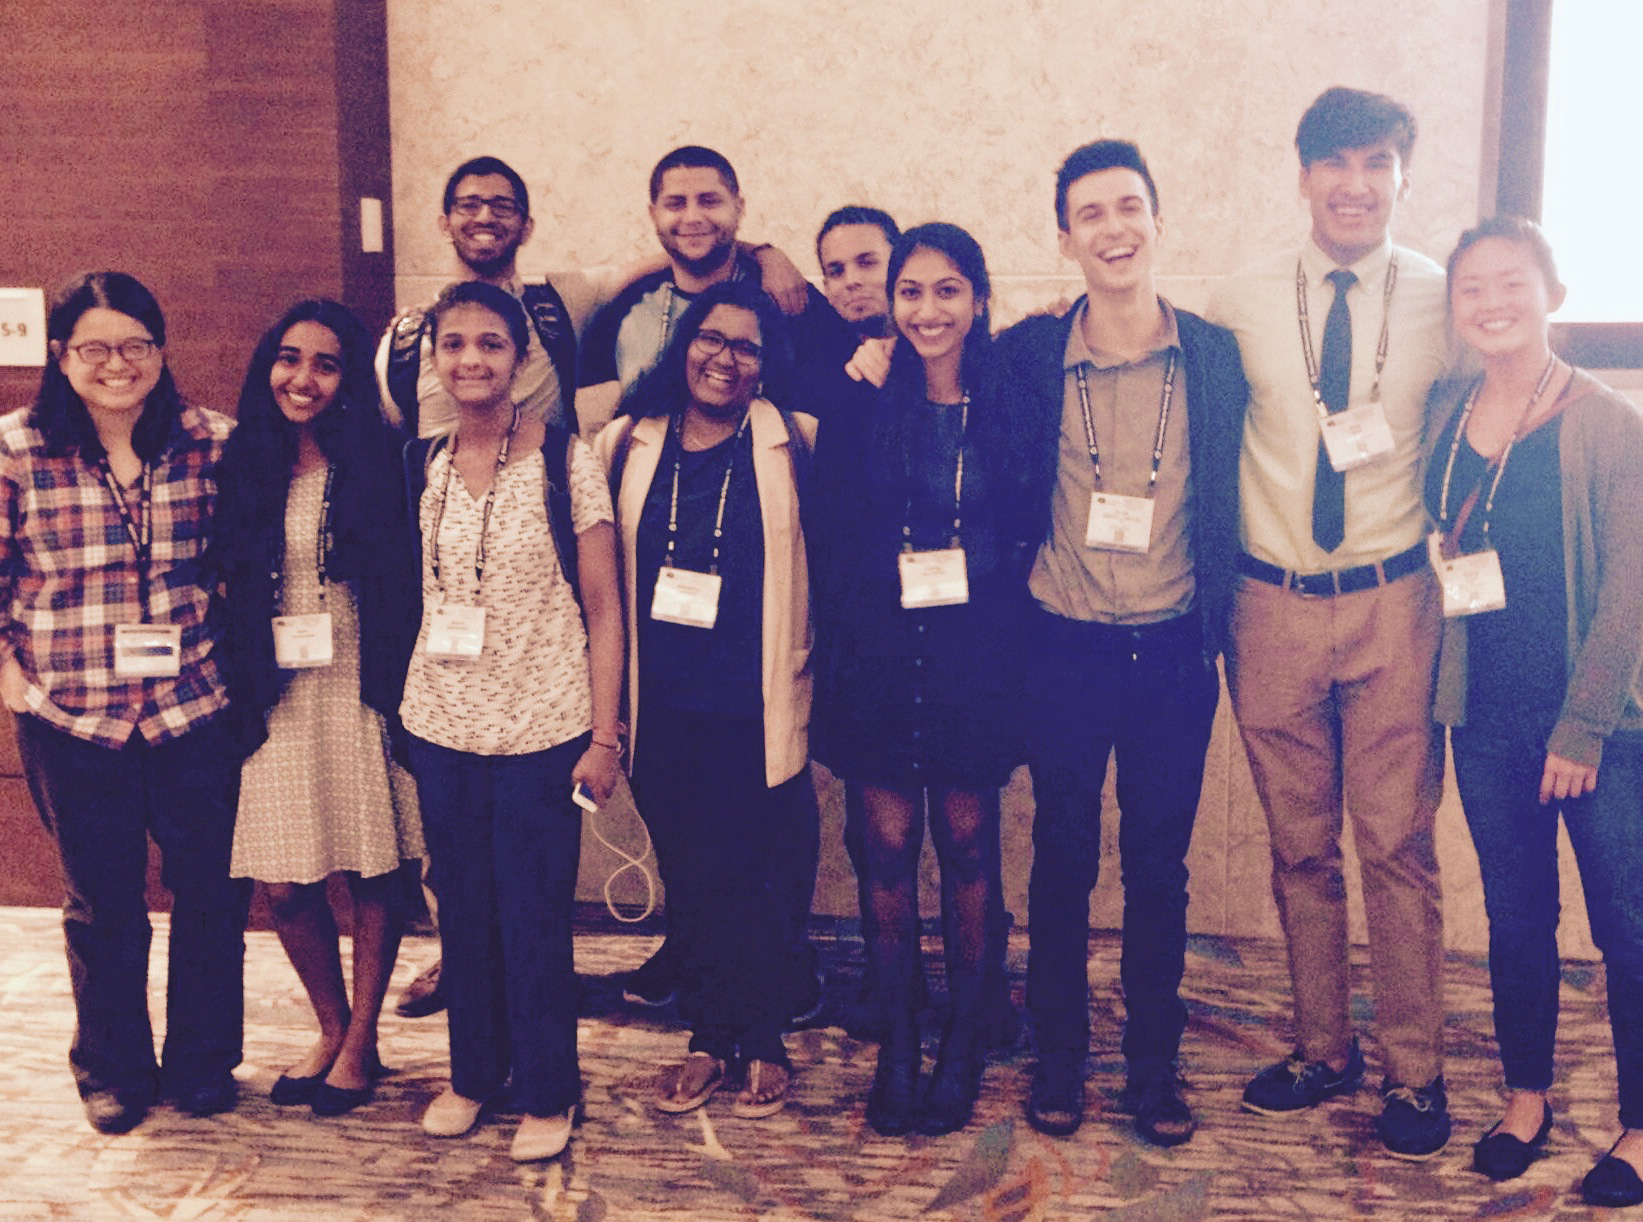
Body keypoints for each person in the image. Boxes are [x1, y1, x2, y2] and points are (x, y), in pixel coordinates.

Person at [1206, 86, 1454, 1159]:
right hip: (1269, 605)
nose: (1355, 185)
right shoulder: (1238, 298)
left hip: (1395, 602)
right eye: (1335, 164)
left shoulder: (1445, 297)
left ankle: (1414, 1072)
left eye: (1376, 164)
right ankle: (1321, 1046)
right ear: (1302, 175)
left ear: (1402, 177)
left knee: (1396, 843)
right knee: (1298, 845)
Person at [990, 140, 1248, 1145]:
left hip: (1173, 653)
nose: (1113, 227)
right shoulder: (1027, 355)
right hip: (1061, 647)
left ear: (1156, 219)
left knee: (1157, 868)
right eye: (1090, 213)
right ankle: (1057, 1055)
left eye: (1128, 206)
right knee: (1060, 858)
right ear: (1064, 239)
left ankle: (1151, 1063)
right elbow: (936, 359)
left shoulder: (1215, 357)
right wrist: (873, 350)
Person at [0, 271, 251, 1133]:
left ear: (161, 351)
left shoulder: (213, 442)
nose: (118, 364)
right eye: (95, 348)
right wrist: (8, 672)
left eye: (136, 345)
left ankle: (203, 1061)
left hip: (193, 708)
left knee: (211, 892)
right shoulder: (17, 449)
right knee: (101, 902)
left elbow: (246, 564)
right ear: (61, 356)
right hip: (73, 717)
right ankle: (111, 1070)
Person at [1425, 217, 1643, 1207]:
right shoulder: (1447, 411)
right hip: (1484, 715)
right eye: (1470, 287)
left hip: (1597, 729)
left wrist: (1581, 725)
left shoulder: (1607, 422)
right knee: (1515, 919)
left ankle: (1638, 1124)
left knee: (1625, 925)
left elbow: (1629, 590)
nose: (1490, 302)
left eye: (1510, 281)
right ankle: (1525, 1098)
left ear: (1550, 292)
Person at [400, 281, 623, 1162]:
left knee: (532, 915)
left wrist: (604, 737)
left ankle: (547, 1089)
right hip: (441, 722)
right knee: (461, 912)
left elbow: (603, 609)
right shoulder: (420, 462)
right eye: (453, 344)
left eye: (490, 343)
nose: (471, 359)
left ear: (521, 358)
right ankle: (473, 1074)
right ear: (435, 360)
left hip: (544, 726)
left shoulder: (567, 461)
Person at [812, 224, 1022, 1137]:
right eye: (910, 291)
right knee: (887, 848)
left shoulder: (1008, 394)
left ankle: (963, 1038)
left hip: (977, 651)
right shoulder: (860, 395)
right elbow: (829, 525)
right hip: (878, 648)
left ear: (977, 298)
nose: (927, 310)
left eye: (947, 290)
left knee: (968, 846)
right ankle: (897, 1037)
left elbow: (1028, 517)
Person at [595, 279, 816, 1121]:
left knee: (754, 873)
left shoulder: (795, 440)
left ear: (767, 362)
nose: (725, 358)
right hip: (659, 703)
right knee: (691, 874)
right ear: (683, 343)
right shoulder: (625, 440)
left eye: (746, 346)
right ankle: (711, 1033)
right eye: (710, 339)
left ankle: (755, 1037)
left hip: (753, 700)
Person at [214, 300, 423, 1117]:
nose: (303, 378)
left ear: (348, 379)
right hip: (276, 694)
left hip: (360, 686)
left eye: (326, 364)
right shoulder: (242, 462)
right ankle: (329, 1025)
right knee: (285, 884)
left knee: (373, 869)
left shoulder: (381, 462)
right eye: (289, 358)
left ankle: (361, 1039)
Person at [377, 155, 579, 438]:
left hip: (544, 464)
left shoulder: (562, 305)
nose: (485, 217)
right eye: (469, 205)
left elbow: (639, 267)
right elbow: (394, 434)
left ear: (526, 228)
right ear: (445, 225)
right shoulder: (405, 342)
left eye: (502, 207)